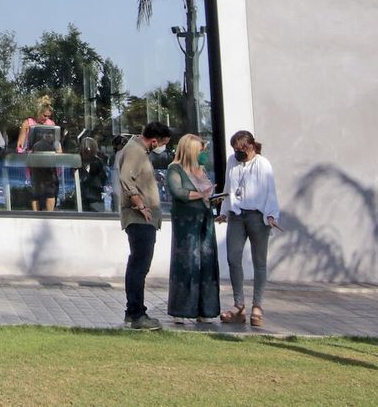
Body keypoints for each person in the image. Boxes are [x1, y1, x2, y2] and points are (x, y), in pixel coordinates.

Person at [218, 129, 280, 328]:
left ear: (251, 146)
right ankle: (239, 305)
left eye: (241, 149)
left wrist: (271, 214)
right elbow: (229, 187)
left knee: (259, 261)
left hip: (257, 216)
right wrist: (224, 211)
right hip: (237, 215)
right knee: (233, 258)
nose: (238, 153)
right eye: (235, 149)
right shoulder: (232, 162)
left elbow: (270, 190)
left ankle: (257, 306)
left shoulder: (262, 164)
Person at [118, 121, 172, 330]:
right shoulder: (135, 151)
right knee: (139, 266)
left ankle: (133, 312)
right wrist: (140, 205)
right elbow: (126, 178)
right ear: (154, 140)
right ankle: (137, 313)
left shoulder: (138, 151)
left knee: (139, 265)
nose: (162, 148)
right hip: (139, 218)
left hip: (143, 218)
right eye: (163, 144)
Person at [165, 134, 220, 324]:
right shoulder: (175, 169)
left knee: (206, 263)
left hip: (205, 220)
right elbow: (178, 192)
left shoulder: (201, 170)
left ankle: (205, 309)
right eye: (200, 150)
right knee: (187, 263)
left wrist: (212, 198)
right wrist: (201, 194)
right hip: (186, 224)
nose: (203, 153)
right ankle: (181, 309)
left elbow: (206, 194)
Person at [15, 96, 61, 211]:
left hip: (49, 161)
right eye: (44, 115)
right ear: (38, 112)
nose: (46, 118)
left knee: (50, 190)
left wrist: (59, 153)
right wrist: (24, 154)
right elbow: (20, 145)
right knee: (35, 190)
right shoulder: (28, 123)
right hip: (34, 162)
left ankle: (50, 215)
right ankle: (35, 214)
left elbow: (57, 143)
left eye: (48, 116)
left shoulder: (51, 124)